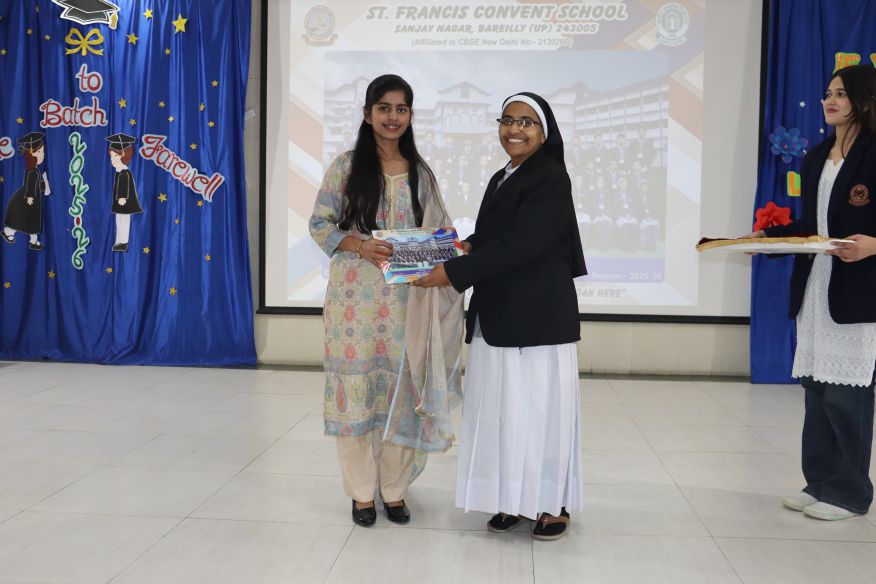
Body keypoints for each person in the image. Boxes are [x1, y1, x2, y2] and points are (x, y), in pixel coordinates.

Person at [414, 92, 587, 540]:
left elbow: (524, 243)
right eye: (507, 120)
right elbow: (498, 236)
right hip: (500, 314)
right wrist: (467, 246)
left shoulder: (551, 177)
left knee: (540, 415)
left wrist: (453, 272)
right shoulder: (503, 176)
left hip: (537, 321)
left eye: (526, 122)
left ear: (544, 132)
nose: (514, 129)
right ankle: (513, 499)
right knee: (503, 413)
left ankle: (550, 504)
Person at [309, 74, 463, 527]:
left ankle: (394, 490)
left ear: (410, 116)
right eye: (384, 108)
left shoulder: (420, 173)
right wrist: (359, 246)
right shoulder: (346, 167)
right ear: (367, 114)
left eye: (401, 109)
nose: (392, 117)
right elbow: (319, 224)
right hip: (353, 303)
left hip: (408, 304)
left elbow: (440, 232)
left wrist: (452, 251)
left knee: (403, 392)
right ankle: (362, 493)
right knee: (356, 394)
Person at [745, 64, 876, 520]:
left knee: (847, 395)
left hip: (858, 292)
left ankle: (849, 493)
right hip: (816, 287)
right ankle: (818, 482)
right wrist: (768, 240)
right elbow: (812, 228)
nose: (829, 101)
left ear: (863, 100)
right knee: (817, 391)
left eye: (840, 93)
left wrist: (873, 245)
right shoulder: (818, 154)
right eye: (827, 93)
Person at [2, 132, 51, 250]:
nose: (42, 155)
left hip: (29, 197)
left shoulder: (34, 169)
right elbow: (30, 184)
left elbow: (35, 185)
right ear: (31, 154)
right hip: (28, 199)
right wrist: (30, 197)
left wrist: (44, 184)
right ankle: (32, 241)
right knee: (29, 221)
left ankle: (9, 232)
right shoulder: (32, 170)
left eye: (43, 152)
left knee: (24, 220)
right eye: (39, 152)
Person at [106, 133, 142, 253]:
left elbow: (125, 186)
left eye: (115, 156)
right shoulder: (119, 171)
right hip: (120, 203)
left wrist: (122, 197)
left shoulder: (125, 172)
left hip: (124, 202)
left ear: (123, 155)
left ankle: (123, 242)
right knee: (119, 221)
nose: (113, 159)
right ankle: (119, 241)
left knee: (124, 222)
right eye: (112, 156)